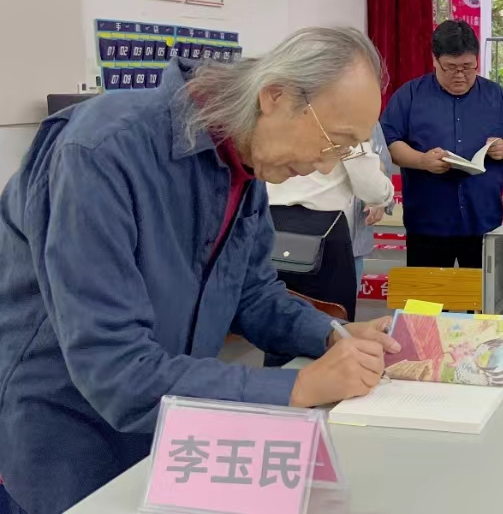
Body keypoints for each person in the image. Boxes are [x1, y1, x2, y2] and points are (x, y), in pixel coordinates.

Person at [0, 27, 402, 514]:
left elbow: (251, 294)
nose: (324, 167)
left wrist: (332, 335)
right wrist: (298, 387)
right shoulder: (102, 152)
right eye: (333, 142)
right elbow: (115, 368)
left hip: (172, 428)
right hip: (68, 440)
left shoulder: (242, 164)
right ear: (275, 96)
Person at [381, 20, 503, 268]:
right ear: (434, 60)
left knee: (482, 292)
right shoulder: (410, 95)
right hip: (428, 223)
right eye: (451, 67)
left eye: (468, 67)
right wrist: (422, 160)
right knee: (428, 294)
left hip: (483, 220)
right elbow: (389, 143)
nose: (460, 75)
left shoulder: (495, 96)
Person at [266, 118, 395, 320]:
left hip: (272, 232)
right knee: (330, 326)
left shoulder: (272, 115)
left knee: (273, 318)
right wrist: (377, 172)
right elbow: (375, 191)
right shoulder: (344, 119)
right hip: (325, 241)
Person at [349, 122, 395, 293]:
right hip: (299, 235)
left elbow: (382, 162)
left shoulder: (364, 115)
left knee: (343, 306)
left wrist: (380, 200)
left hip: (353, 239)